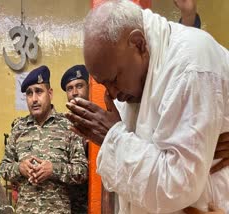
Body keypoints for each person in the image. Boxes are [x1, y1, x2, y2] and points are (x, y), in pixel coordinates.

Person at [65, 0, 229, 213]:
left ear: (139, 44)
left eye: (114, 79)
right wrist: (112, 140)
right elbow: (130, 178)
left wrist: (112, 138)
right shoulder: (132, 81)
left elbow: (177, 188)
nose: (111, 93)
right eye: (103, 83)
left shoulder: (191, 66)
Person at [0, 65, 88, 214]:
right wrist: (20, 168)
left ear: (50, 93)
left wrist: (53, 169)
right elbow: (4, 168)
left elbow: (82, 171)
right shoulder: (18, 128)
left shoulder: (68, 126)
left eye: (39, 92)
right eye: (29, 93)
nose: (34, 99)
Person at [61, 64, 89, 213]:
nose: (75, 92)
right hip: (70, 205)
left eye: (79, 86)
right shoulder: (63, 126)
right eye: (70, 88)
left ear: (89, 88)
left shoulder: (100, 122)